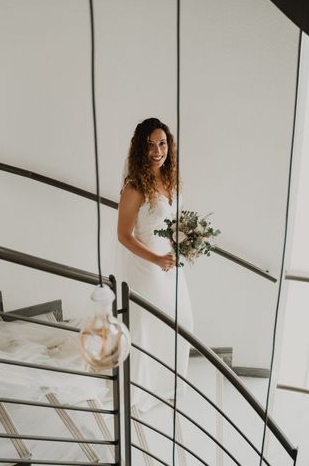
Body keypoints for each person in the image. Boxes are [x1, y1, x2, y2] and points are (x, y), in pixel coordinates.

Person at [117, 117, 194, 412]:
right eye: (150, 145)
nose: (157, 151)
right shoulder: (135, 187)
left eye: (162, 143)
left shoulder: (171, 179)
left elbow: (175, 221)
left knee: (183, 321)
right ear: (141, 149)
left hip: (173, 263)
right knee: (148, 327)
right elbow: (124, 235)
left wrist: (186, 243)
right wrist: (157, 258)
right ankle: (142, 389)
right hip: (148, 265)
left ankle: (170, 385)